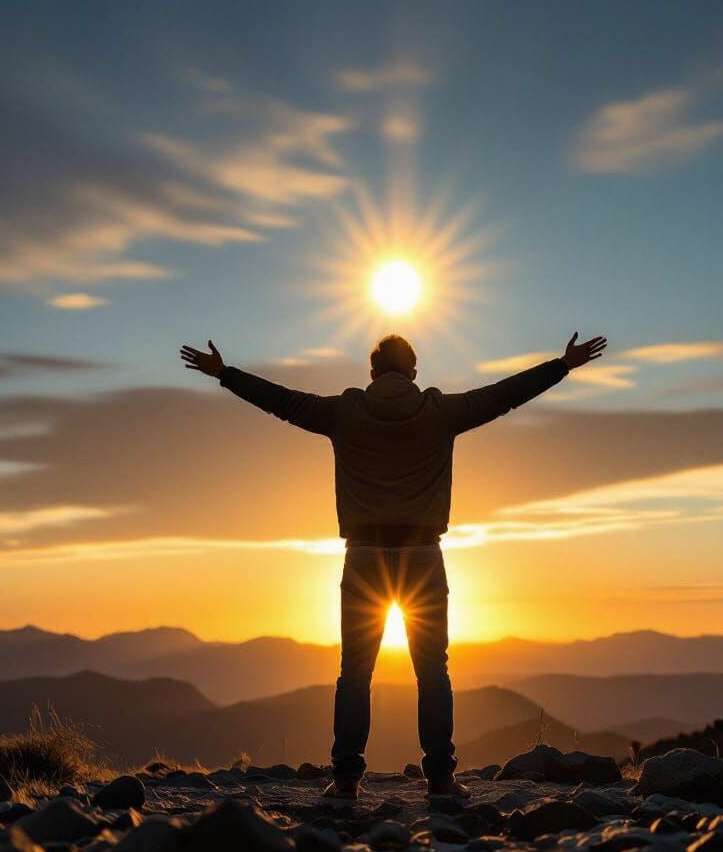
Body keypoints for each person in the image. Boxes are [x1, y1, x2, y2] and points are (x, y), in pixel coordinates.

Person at [180, 331, 607, 801]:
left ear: (371, 372)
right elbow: (503, 395)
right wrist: (561, 365)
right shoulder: (439, 412)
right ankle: (440, 778)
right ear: (414, 372)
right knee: (432, 671)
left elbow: (284, 402)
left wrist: (225, 374)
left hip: (364, 556)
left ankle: (346, 779)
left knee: (355, 672)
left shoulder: (345, 413)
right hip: (422, 554)